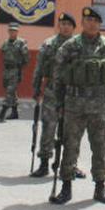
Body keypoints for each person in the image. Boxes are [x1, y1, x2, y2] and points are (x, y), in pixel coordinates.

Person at [49, 6, 105, 205]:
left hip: (99, 105)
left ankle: (100, 187)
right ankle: (66, 187)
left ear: (100, 24)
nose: (92, 24)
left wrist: (101, 78)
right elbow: (58, 72)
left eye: (96, 21)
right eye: (88, 20)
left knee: (100, 147)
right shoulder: (71, 45)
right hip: (74, 104)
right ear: (82, 23)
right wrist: (59, 102)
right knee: (70, 146)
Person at [31, 12, 76, 178]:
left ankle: (71, 164)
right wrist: (36, 89)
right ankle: (44, 163)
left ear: (73, 28)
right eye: (62, 23)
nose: (65, 27)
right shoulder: (49, 44)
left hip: (72, 93)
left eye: (68, 24)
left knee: (71, 131)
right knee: (48, 127)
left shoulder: (78, 45)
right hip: (52, 91)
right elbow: (39, 68)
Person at [0, 23, 29, 121]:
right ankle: (15, 112)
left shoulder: (21, 43)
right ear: (8, 31)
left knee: (9, 91)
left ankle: (3, 111)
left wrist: (20, 68)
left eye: (14, 31)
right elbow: (3, 53)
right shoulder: (5, 43)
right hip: (6, 69)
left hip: (16, 70)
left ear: (17, 32)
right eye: (11, 30)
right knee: (11, 90)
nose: (12, 32)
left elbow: (26, 58)